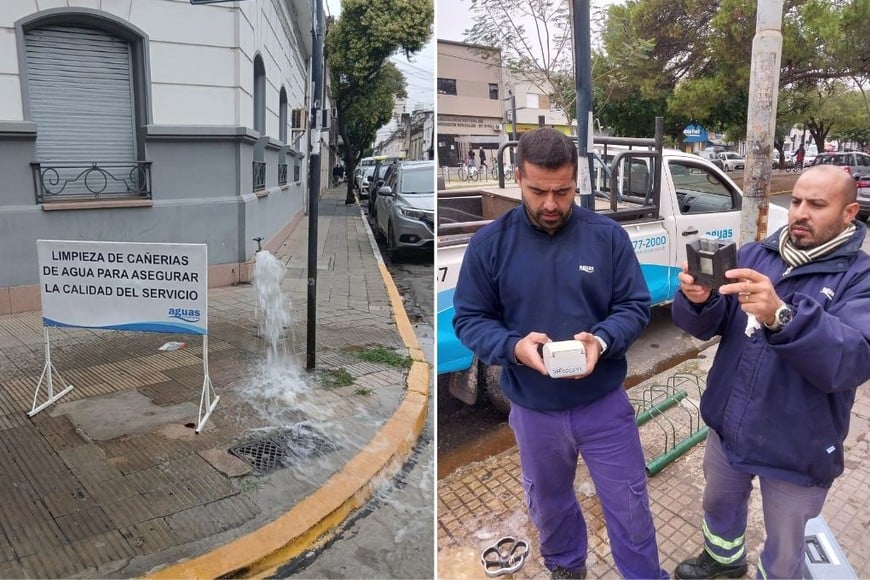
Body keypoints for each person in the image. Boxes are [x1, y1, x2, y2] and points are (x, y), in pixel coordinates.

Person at [452, 127, 668, 580]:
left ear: (576, 180)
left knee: (629, 504)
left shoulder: (606, 237)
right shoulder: (489, 245)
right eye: (538, 191)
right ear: (517, 179)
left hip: (604, 405)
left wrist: (602, 340)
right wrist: (512, 346)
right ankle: (567, 568)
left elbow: (634, 305)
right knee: (548, 506)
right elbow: (469, 320)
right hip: (533, 409)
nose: (551, 204)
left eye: (563, 191)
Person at [671, 164, 870, 579]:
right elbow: (707, 325)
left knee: (785, 548)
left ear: (849, 213)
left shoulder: (860, 278)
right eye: (796, 201)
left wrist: (781, 315)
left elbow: (851, 360)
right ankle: (723, 561)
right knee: (718, 508)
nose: (800, 212)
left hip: (798, 448)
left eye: (817, 204)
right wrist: (698, 299)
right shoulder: (756, 255)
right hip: (731, 429)